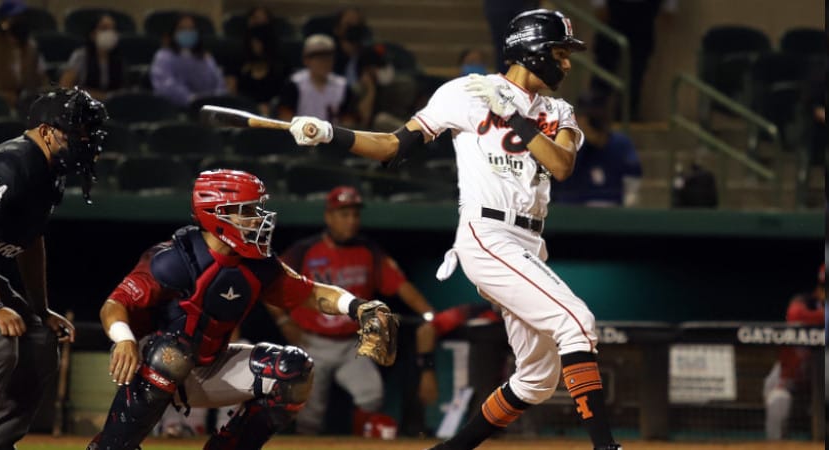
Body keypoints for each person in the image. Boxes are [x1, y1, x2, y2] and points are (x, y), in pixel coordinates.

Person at [287, 9, 622, 449]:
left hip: (529, 241)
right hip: (487, 232)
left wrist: (514, 118)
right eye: (559, 52)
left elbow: (560, 165)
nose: (566, 63)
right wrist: (331, 133)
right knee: (577, 321)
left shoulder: (558, 110)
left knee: (537, 380)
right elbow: (392, 146)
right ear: (532, 50)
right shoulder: (466, 92)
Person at [86, 169, 396, 450]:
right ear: (217, 213)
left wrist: (358, 307)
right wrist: (124, 339)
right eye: (247, 211)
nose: (257, 219)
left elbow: (311, 293)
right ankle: (114, 445)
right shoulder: (173, 258)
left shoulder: (258, 265)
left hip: (207, 365)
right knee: (172, 354)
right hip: (152, 366)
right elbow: (115, 304)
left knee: (294, 370)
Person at [0, 87, 107, 449]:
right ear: (47, 130)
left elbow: (31, 240)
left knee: (40, 341)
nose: (86, 141)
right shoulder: (10, 161)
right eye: (78, 132)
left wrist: (41, 309)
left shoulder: (50, 171)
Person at [268, 185, 434, 436]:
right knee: (309, 412)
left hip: (352, 344)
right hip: (312, 341)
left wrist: (430, 315)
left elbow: (400, 285)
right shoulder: (305, 250)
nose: (351, 221)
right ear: (329, 217)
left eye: (355, 215)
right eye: (344, 214)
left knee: (371, 396)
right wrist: (282, 321)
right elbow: (270, 284)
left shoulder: (368, 250)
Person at [763, 264, 825, 440]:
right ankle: (775, 445)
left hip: (821, 380)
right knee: (777, 399)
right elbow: (795, 314)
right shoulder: (805, 301)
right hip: (794, 374)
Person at [590, 0, 678, 119]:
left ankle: (627, 114)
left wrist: (670, 6)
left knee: (637, 68)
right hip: (616, 8)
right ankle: (594, 113)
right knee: (605, 62)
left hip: (646, 9)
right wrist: (599, 4)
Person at [551, 93, 642, 207]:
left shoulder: (620, 144)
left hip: (611, 213)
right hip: (573, 211)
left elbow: (632, 185)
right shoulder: (570, 145)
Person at [277, 34, 356, 126]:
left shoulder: (343, 86)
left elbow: (349, 123)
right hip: (299, 137)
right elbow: (285, 121)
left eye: (328, 57)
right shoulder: (294, 85)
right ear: (306, 60)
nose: (324, 62)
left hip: (333, 137)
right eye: (318, 58)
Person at [0, 0, 49, 107]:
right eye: (16, 18)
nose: (20, 22)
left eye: (23, 17)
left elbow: (42, 79)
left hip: (26, 105)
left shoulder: (31, 46)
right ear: (3, 22)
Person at [150, 14, 227, 107]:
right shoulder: (163, 57)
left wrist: (218, 100)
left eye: (191, 29)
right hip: (178, 109)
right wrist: (191, 99)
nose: (187, 32)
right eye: (182, 29)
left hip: (211, 108)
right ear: (173, 32)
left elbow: (219, 83)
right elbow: (166, 86)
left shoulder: (206, 58)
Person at [226, 6, 287, 116]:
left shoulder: (281, 61)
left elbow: (285, 96)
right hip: (242, 111)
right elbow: (231, 92)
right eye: (255, 19)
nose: (259, 23)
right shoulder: (236, 55)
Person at [59, 14, 126, 101]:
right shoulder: (81, 56)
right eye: (104, 28)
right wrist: (101, 96)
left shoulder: (119, 58)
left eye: (113, 29)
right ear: (92, 34)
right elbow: (65, 87)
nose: (110, 33)